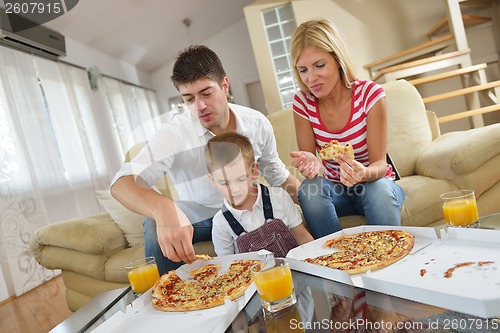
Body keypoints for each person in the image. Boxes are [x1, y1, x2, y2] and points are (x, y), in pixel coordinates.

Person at [110, 45, 300, 274]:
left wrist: (312, 199)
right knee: (153, 223)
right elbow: (121, 183)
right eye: (189, 99)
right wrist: (163, 208)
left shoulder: (257, 123)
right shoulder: (174, 133)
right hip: (203, 218)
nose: (199, 106)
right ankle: (175, 297)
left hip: (252, 210)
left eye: (206, 94)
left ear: (225, 85)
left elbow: (278, 175)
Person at [288, 19, 405, 238]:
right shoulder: (302, 103)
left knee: (379, 189)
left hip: (373, 183)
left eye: (319, 65)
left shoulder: (370, 94)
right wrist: (311, 165)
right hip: (336, 192)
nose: (311, 78)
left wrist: (362, 173)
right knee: (310, 190)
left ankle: (389, 257)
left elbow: (380, 164)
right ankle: (336, 258)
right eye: (303, 70)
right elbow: (313, 168)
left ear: (338, 60)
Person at [205, 132, 313, 256]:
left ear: (255, 171)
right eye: (224, 183)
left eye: (241, 179)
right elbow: (227, 267)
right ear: (212, 180)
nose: (234, 190)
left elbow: (303, 238)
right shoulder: (220, 223)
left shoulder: (279, 197)